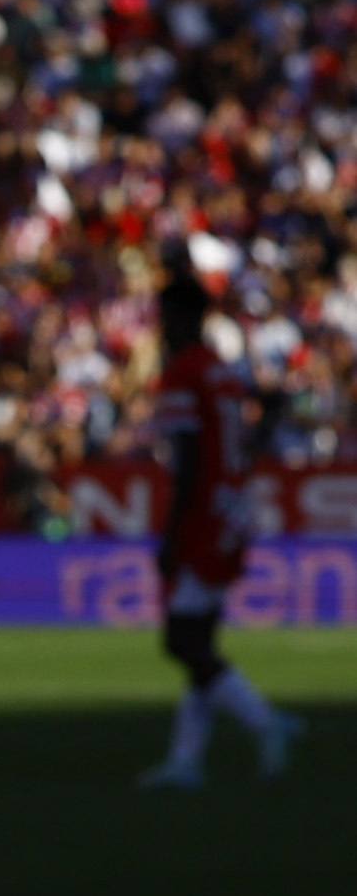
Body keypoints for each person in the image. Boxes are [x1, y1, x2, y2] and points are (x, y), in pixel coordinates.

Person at [138, 262, 306, 787]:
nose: (161, 325)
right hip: (233, 508)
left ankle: (265, 721)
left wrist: (171, 533)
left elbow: (187, 461)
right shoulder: (223, 372)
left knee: (180, 640)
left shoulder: (186, 371)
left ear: (183, 316)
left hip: (205, 515)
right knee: (202, 643)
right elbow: (242, 442)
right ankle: (187, 760)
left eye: (165, 315)